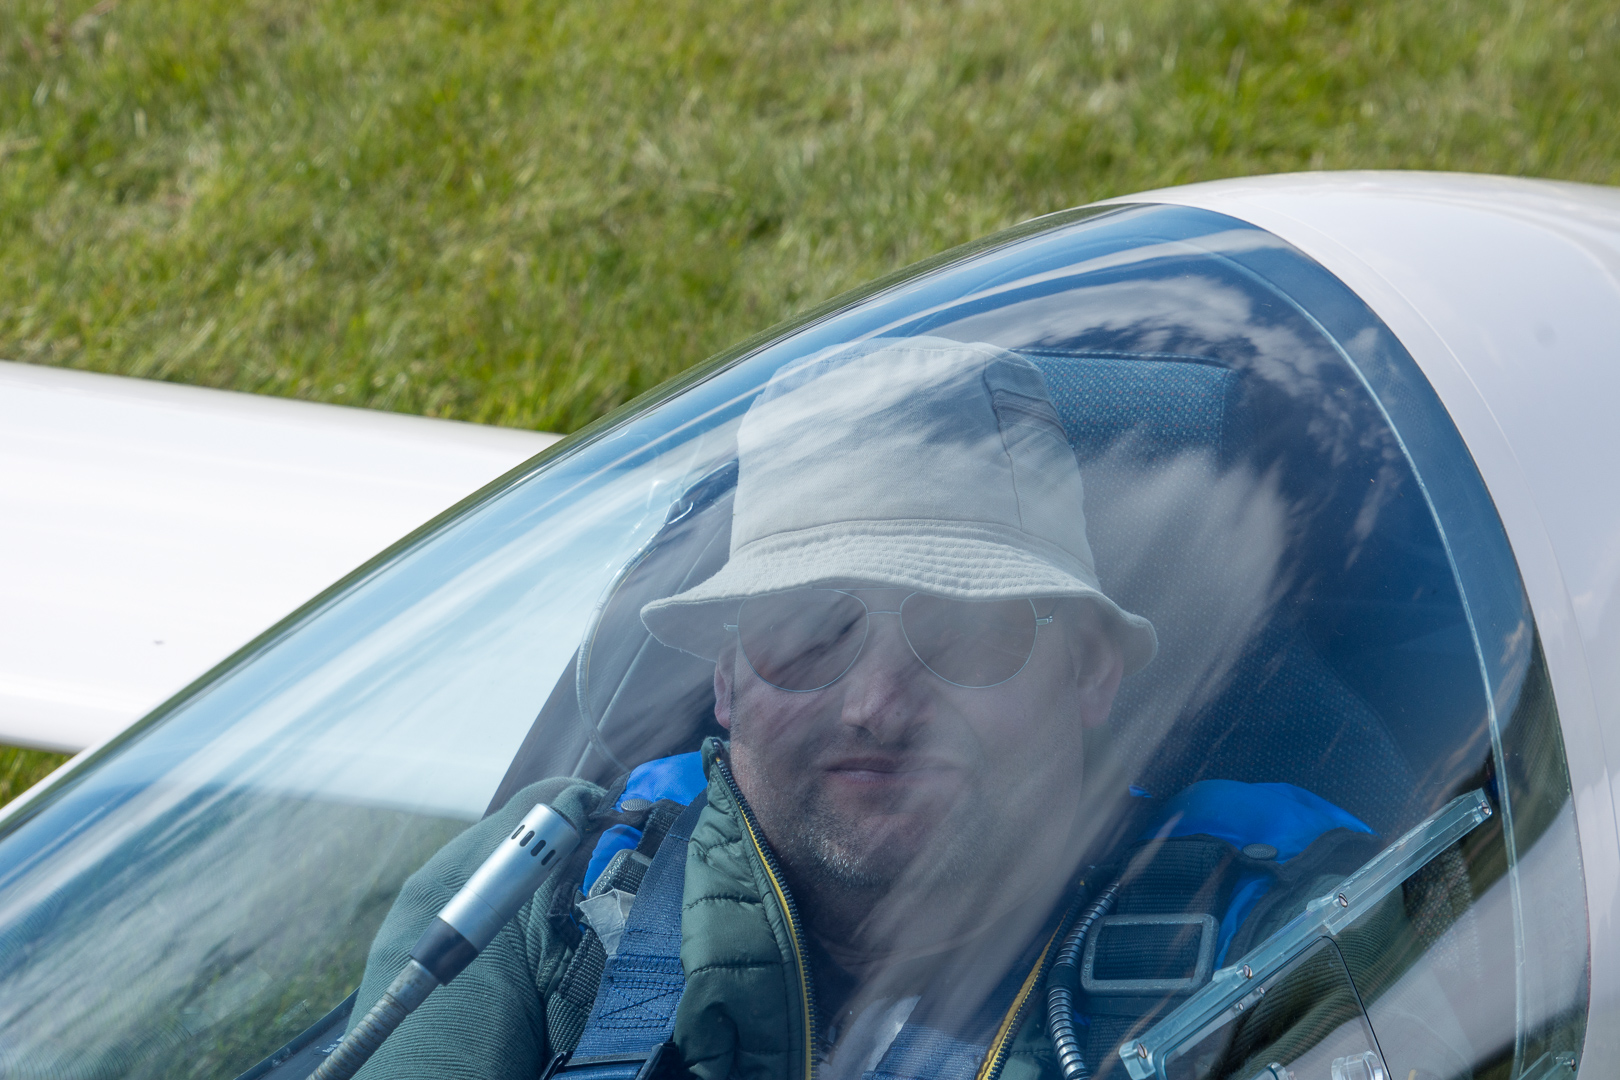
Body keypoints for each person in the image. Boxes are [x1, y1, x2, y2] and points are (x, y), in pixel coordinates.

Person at [347, 338, 1162, 1080]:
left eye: (960, 635)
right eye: (810, 635)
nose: (876, 708)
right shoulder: (542, 887)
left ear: (1090, 671)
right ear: (727, 679)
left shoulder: (1227, 936)